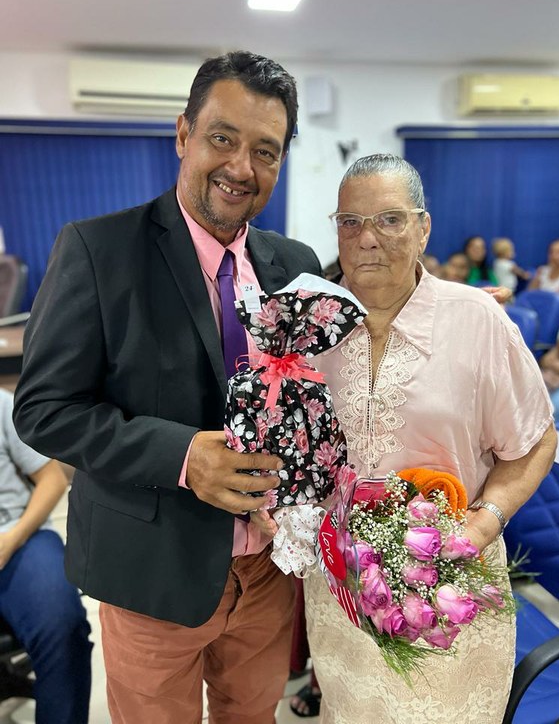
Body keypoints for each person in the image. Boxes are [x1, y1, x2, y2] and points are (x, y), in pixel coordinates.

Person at [13, 51, 323, 724]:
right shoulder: (99, 251)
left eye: (265, 151)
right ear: (183, 134)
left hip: (269, 571)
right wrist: (182, 456)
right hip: (151, 571)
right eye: (222, 138)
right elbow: (43, 409)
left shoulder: (295, 265)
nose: (241, 167)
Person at [303, 154, 556, 723]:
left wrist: (484, 523)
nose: (367, 239)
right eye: (350, 222)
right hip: (342, 595)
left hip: (448, 592)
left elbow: (537, 440)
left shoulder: (476, 320)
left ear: (424, 228)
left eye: (389, 220)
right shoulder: (314, 323)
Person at [0, 388, 92, 724]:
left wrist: (11, 540)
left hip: (17, 537)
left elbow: (51, 479)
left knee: (63, 626)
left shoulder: (1, 404)